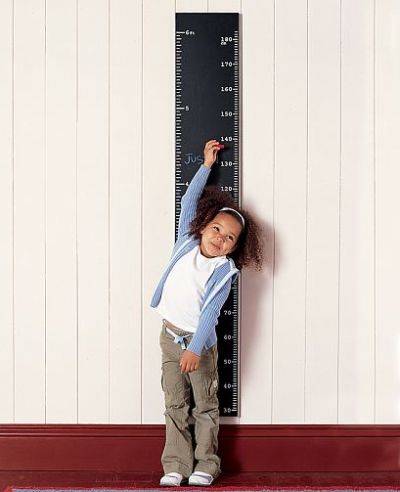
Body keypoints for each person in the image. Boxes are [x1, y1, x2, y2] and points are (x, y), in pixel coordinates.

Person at [150, 140, 264, 487]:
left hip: (199, 346)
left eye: (230, 237)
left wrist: (196, 349)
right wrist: (206, 165)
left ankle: (207, 463)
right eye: (216, 229)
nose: (220, 238)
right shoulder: (185, 243)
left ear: (235, 247)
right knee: (174, 403)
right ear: (202, 226)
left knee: (204, 404)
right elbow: (188, 201)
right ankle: (176, 463)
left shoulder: (223, 271)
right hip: (170, 338)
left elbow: (211, 313)